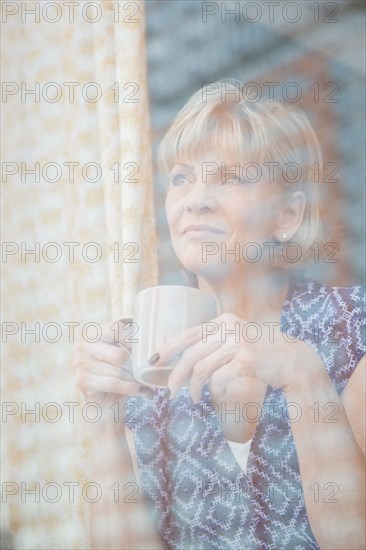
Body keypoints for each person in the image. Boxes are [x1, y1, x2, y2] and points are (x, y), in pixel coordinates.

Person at [75, 80, 365, 550]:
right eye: (182, 178)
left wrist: (303, 374)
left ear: (287, 216)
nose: (196, 200)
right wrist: (104, 415)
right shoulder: (151, 366)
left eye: (231, 177)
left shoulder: (353, 327)